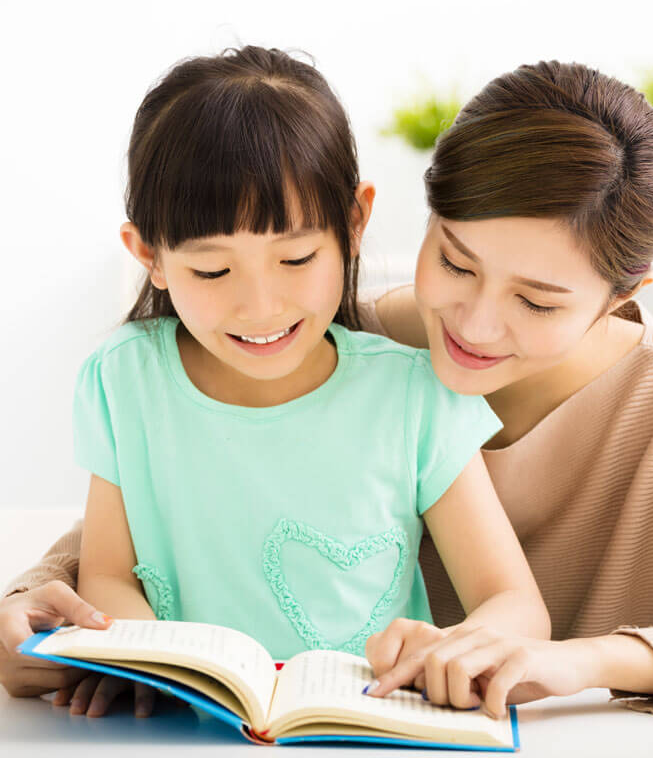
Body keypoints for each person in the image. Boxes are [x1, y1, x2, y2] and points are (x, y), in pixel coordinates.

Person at [4, 59, 653, 721]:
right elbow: (171, 511)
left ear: (623, 291)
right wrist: (36, 601)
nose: (476, 325)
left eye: (538, 299)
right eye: (455, 262)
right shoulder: (341, 339)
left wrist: (577, 662)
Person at [0, 46, 548, 719]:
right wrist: (137, 660)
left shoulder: (413, 395)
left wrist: (456, 648)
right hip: (183, 729)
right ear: (150, 256)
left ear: (354, 223)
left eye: (294, 258)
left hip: (367, 726)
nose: (260, 307)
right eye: (211, 271)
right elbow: (108, 573)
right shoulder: (125, 381)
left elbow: (515, 604)